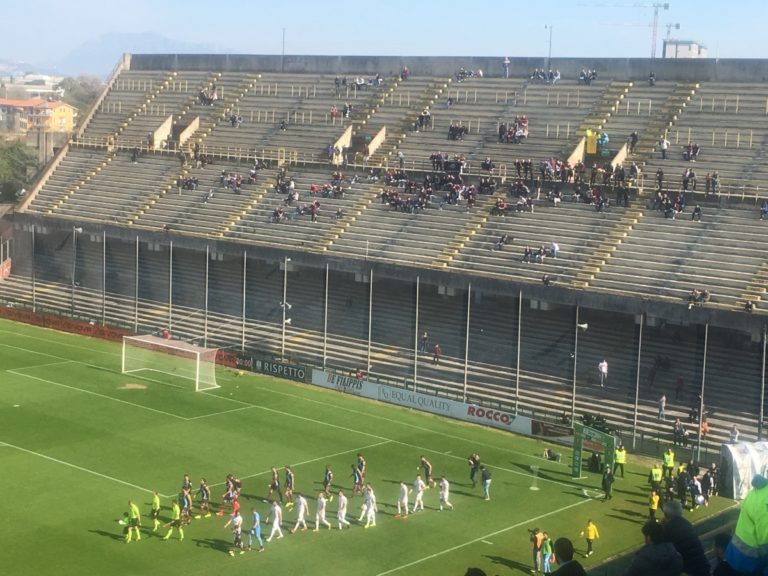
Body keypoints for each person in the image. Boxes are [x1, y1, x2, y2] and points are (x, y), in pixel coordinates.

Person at [726, 473, 768, 574]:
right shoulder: (765, 500)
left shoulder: (760, 491)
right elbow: (765, 540)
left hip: (737, 556)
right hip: (750, 563)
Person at [661, 501, 709, 576]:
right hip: (702, 566)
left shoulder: (669, 529)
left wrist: (663, 527)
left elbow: (664, 551)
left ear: (666, 515)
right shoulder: (686, 523)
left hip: (688, 570)